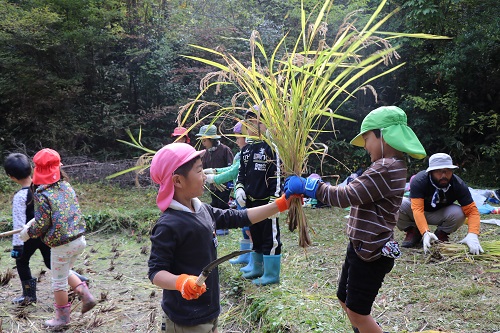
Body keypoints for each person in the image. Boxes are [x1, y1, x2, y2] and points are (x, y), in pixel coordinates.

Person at [284, 106, 426, 333]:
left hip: (371, 252)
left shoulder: (385, 167)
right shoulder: (391, 165)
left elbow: (347, 195)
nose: (366, 146)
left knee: (358, 312)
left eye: (367, 138)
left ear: (383, 135)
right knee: (345, 300)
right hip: (361, 246)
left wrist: (311, 186)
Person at [147, 143, 292, 333]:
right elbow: (156, 272)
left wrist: (279, 205)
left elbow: (239, 217)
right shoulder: (168, 225)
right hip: (185, 319)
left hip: (209, 309)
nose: (204, 177)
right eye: (199, 171)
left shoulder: (202, 210)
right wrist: (181, 282)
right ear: (178, 181)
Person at [19, 148, 96, 328]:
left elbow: (43, 223)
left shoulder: (41, 194)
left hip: (62, 244)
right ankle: (86, 295)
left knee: (58, 282)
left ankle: (62, 319)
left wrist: (27, 233)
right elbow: (57, 214)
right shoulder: (66, 186)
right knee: (64, 271)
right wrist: (33, 223)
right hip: (79, 239)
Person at [397, 153, 483, 255]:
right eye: (438, 171)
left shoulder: (458, 184)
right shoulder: (419, 181)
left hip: (440, 213)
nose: (444, 176)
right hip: (418, 212)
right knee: (397, 203)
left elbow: (472, 211)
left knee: (459, 212)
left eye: (447, 171)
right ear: (431, 172)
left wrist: (473, 234)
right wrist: (425, 231)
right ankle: (413, 231)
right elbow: (417, 210)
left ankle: (441, 234)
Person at [234, 105, 283, 286]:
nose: (253, 125)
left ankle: (271, 274)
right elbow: (241, 174)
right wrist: (239, 189)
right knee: (255, 235)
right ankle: (257, 267)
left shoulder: (271, 148)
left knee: (270, 238)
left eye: (257, 122)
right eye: (250, 122)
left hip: (267, 204)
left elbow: (277, 176)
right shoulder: (245, 150)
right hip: (252, 205)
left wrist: (275, 203)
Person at [4, 153, 51, 305]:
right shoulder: (43, 189)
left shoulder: (20, 196)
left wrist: (17, 246)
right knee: (52, 263)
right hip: (45, 234)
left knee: (22, 262)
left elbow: (19, 224)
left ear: (11, 176)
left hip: (28, 236)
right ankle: (78, 281)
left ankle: (29, 296)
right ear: (31, 168)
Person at [204, 121, 252, 264]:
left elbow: (233, 171)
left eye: (238, 138)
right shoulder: (241, 153)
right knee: (244, 225)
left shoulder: (246, 153)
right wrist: (215, 171)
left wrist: (215, 178)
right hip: (239, 194)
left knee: (249, 226)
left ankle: (253, 257)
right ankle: (245, 255)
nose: (236, 141)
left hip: (245, 193)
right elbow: (230, 170)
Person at [196, 124, 234, 235]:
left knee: (223, 205)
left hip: (224, 186)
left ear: (212, 140)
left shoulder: (225, 150)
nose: (203, 143)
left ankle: (225, 226)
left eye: (204, 140)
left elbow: (230, 168)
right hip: (213, 186)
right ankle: (217, 227)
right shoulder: (206, 153)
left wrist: (226, 182)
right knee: (215, 205)